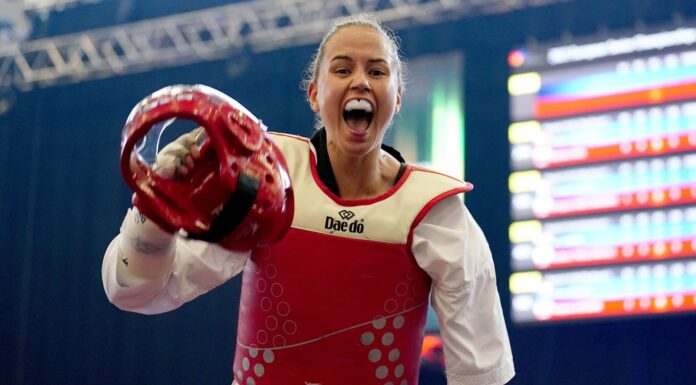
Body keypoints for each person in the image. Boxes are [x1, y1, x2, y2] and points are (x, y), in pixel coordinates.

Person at [102, 15, 515, 385]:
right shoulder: (266, 182)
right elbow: (140, 293)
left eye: (377, 70)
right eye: (342, 68)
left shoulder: (435, 208)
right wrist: (156, 207)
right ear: (315, 95)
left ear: (398, 98)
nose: (360, 81)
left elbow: (482, 374)